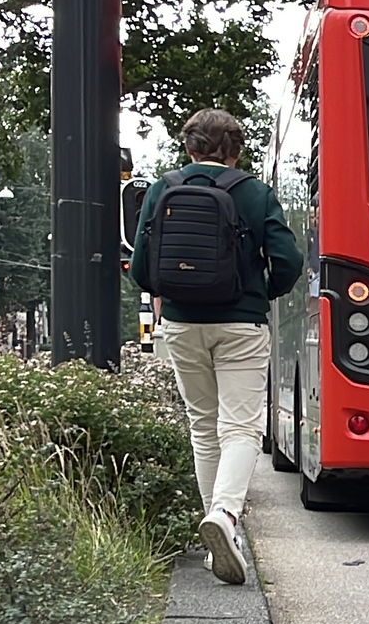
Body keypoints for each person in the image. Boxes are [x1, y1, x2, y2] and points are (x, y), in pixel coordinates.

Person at [130, 109, 303, 584]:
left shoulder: (163, 189)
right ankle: (225, 517)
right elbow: (288, 259)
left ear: (189, 148)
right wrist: (261, 290)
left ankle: (218, 535)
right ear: (235, 149)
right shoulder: (253, 192)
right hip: (241, 323)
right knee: (242, 430)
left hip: (183, 325)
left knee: (203, 428)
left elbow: (141, 270)